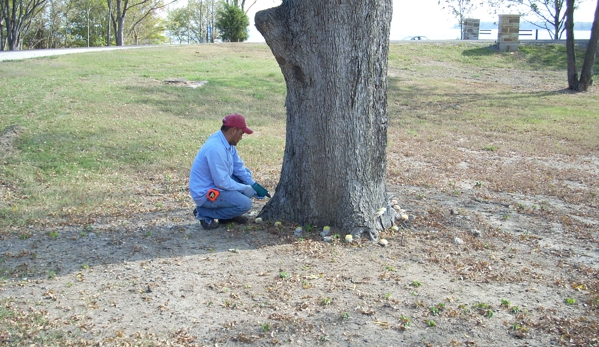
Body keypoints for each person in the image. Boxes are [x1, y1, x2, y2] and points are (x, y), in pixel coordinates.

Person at [189, 114, 270, 230]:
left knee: (245, 173)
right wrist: (244, 188)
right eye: (241, 133)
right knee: (245, 204)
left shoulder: (227, 143)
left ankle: (227, 216)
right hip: (207, 192)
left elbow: (239, 168)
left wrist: (253, 185)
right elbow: (221, 182)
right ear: (233, 130)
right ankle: (203, 212)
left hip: (217, 183)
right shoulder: (216, 148)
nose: (241, 137)